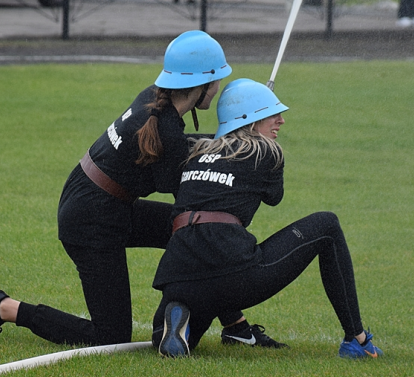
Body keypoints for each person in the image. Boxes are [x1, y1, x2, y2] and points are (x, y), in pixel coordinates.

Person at [0, 31, 285, 349]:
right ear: (204, 84)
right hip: (91, 220)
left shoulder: (156, 99)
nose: (217, 90)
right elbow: (187, 186)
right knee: (111, 335)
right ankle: (2, 307)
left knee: (194, 230)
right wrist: (245, 143)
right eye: (217, 82)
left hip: (96, 201)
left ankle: (236, 326)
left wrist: (235, 137)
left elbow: (183, 152)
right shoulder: (167, 133)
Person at [152, 79, 383, 359]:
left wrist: (244, 119)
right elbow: (274, 197)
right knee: (327, 225)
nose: (281, 121)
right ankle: (356, 340)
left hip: (178, 275)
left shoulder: (195, 150)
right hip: (232, 273)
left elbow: (218, 143)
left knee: (164, 336)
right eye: (271, 114)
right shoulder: (266, 152)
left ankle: (180, 319)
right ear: (249, 120)